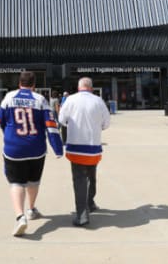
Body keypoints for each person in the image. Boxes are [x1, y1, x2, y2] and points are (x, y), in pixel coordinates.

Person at [0, 71, 63, 237]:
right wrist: (57, 147)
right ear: (34, 85)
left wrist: (8, 133)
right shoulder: (40, 100)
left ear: (19, 83)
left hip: (14, 148)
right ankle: (31, 209)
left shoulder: (9, 97)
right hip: (36, 148)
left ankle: (20, 217)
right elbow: (50, 124)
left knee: (16, 183)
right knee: (33, 180)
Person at [58, 77, 111, 227]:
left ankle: (82, 214)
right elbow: (106, 123)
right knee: (91, 175)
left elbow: (61, 119)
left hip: (76, 148)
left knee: (79, 180)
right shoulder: (98, 101)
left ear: (78, 87)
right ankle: (90, 202)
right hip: (93, 148)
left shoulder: (70, 100)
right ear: (91, 88)